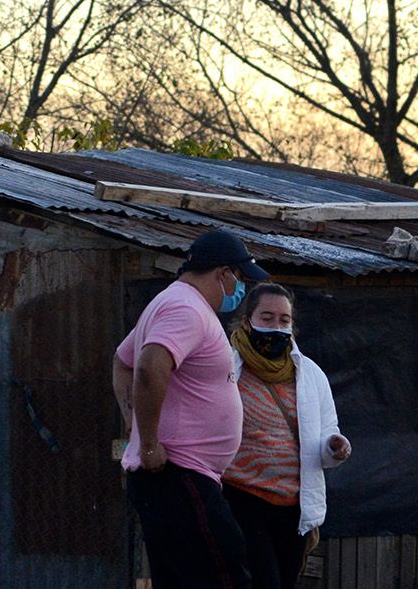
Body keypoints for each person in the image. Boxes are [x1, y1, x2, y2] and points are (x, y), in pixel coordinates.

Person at [113, 229, 269, 588]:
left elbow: (122, 363)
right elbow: (150, 366)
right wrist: (147, 442)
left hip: (179, 476)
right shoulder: (186, 308)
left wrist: (133, 426)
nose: (240, 291)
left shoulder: (173, 303)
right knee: (224, 575)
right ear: (223, 273)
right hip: (180, 475)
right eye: (240, 279)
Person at [222, 283, 351, 589]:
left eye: (284, 320)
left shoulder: (311, 375)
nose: (276, 327)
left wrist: (335, 447)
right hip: (241, 499)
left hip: (294, 508)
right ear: (246, 321)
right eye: (266, 318)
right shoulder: (224, 368)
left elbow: (326, 436)